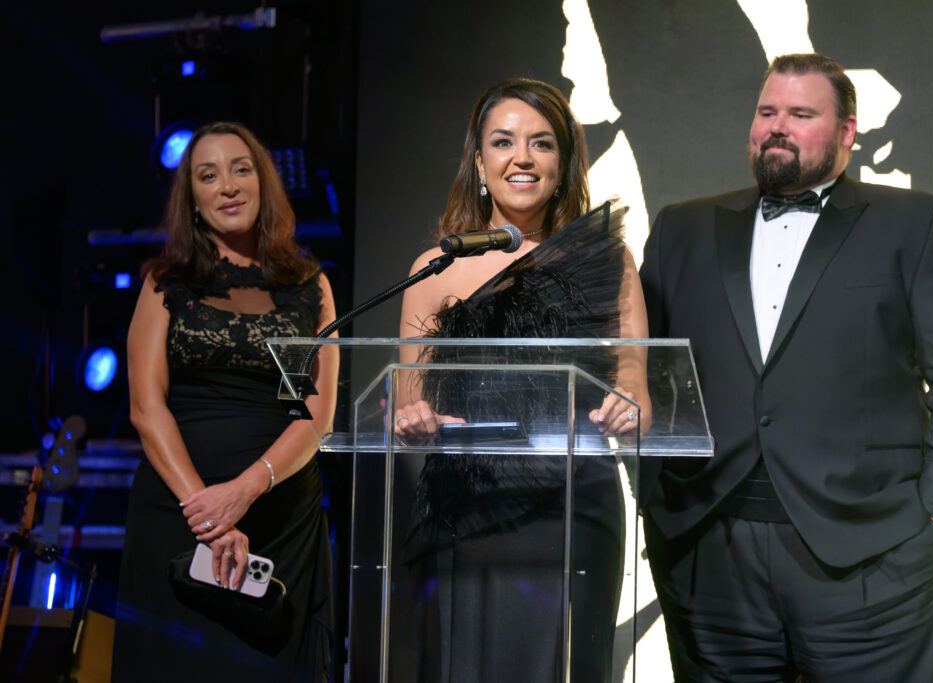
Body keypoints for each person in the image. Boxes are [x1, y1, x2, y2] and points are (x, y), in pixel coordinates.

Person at [638, 53, 933, 681]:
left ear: (848, 132)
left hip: (872, 558)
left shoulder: (912, 225)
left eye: (801, 114)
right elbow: (635, 369)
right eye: (766, 111)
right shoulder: (681, 229)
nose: (777, 126)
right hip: (708, 556)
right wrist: (656, 504)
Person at [393, 78, 649, 682]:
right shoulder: (435, 268)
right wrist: (414, 418)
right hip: (471, 501)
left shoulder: (608, 259)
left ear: (563, 162)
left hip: (575, 499)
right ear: (480, 161)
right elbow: (408, 393)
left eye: (541, 144)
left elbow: (634, 368)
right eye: (503, 142)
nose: (523, 158)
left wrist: (629, 399)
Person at [112, 122, 338, 681]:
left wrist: (244, 490)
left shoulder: (312, 284)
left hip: (281, 522)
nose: (228, 186)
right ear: (191, 200)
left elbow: (317, 415)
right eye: (208, 176)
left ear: (263, 183)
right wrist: (208, 513)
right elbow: (146, 406)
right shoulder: (166, 281)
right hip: (179, 517)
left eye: (241, 169)